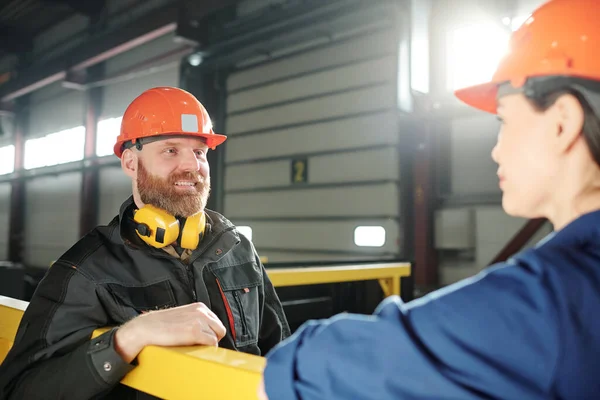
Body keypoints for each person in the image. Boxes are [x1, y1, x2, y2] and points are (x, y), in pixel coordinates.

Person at [258, 0, 600, 399]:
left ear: (563, 121)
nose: (496, 150)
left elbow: (311, 369)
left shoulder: (553, 303)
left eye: (503, 120)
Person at [0, 86, 290, 399]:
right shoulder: (87, 269)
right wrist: (127, 338)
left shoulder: (235, 248)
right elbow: (20, 390)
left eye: (199, 152)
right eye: (171, 150)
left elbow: (279, 350)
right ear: (130, 162)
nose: (192, 166)